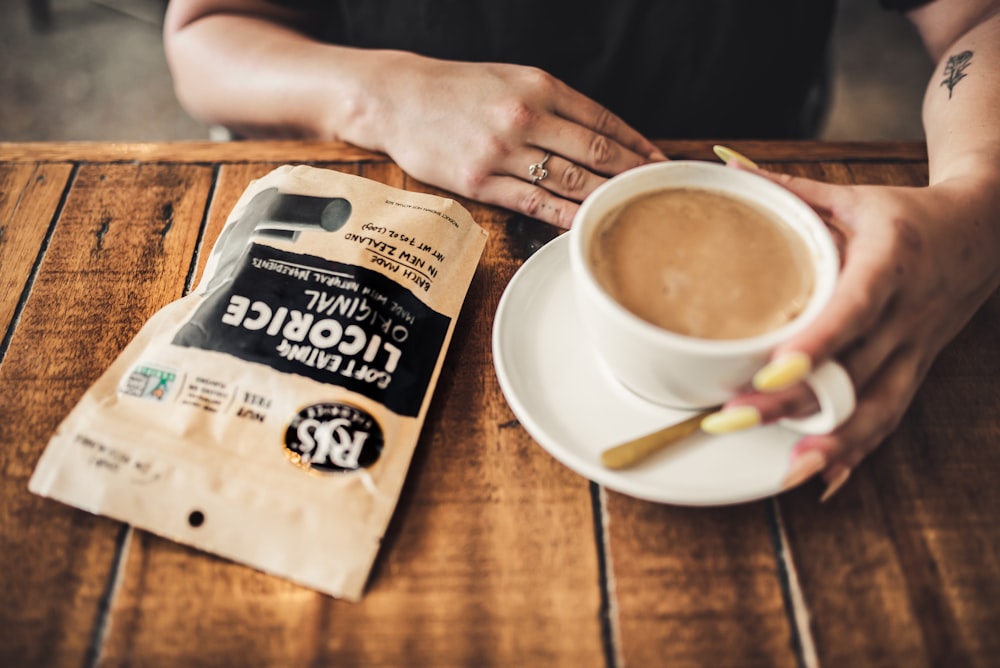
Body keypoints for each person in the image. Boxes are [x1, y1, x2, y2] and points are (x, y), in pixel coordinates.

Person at [163, 0, 1000, 501]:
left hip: (752, 158)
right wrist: (373, 96)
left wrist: (979, 197)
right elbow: (207, 33)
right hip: (409, 223)